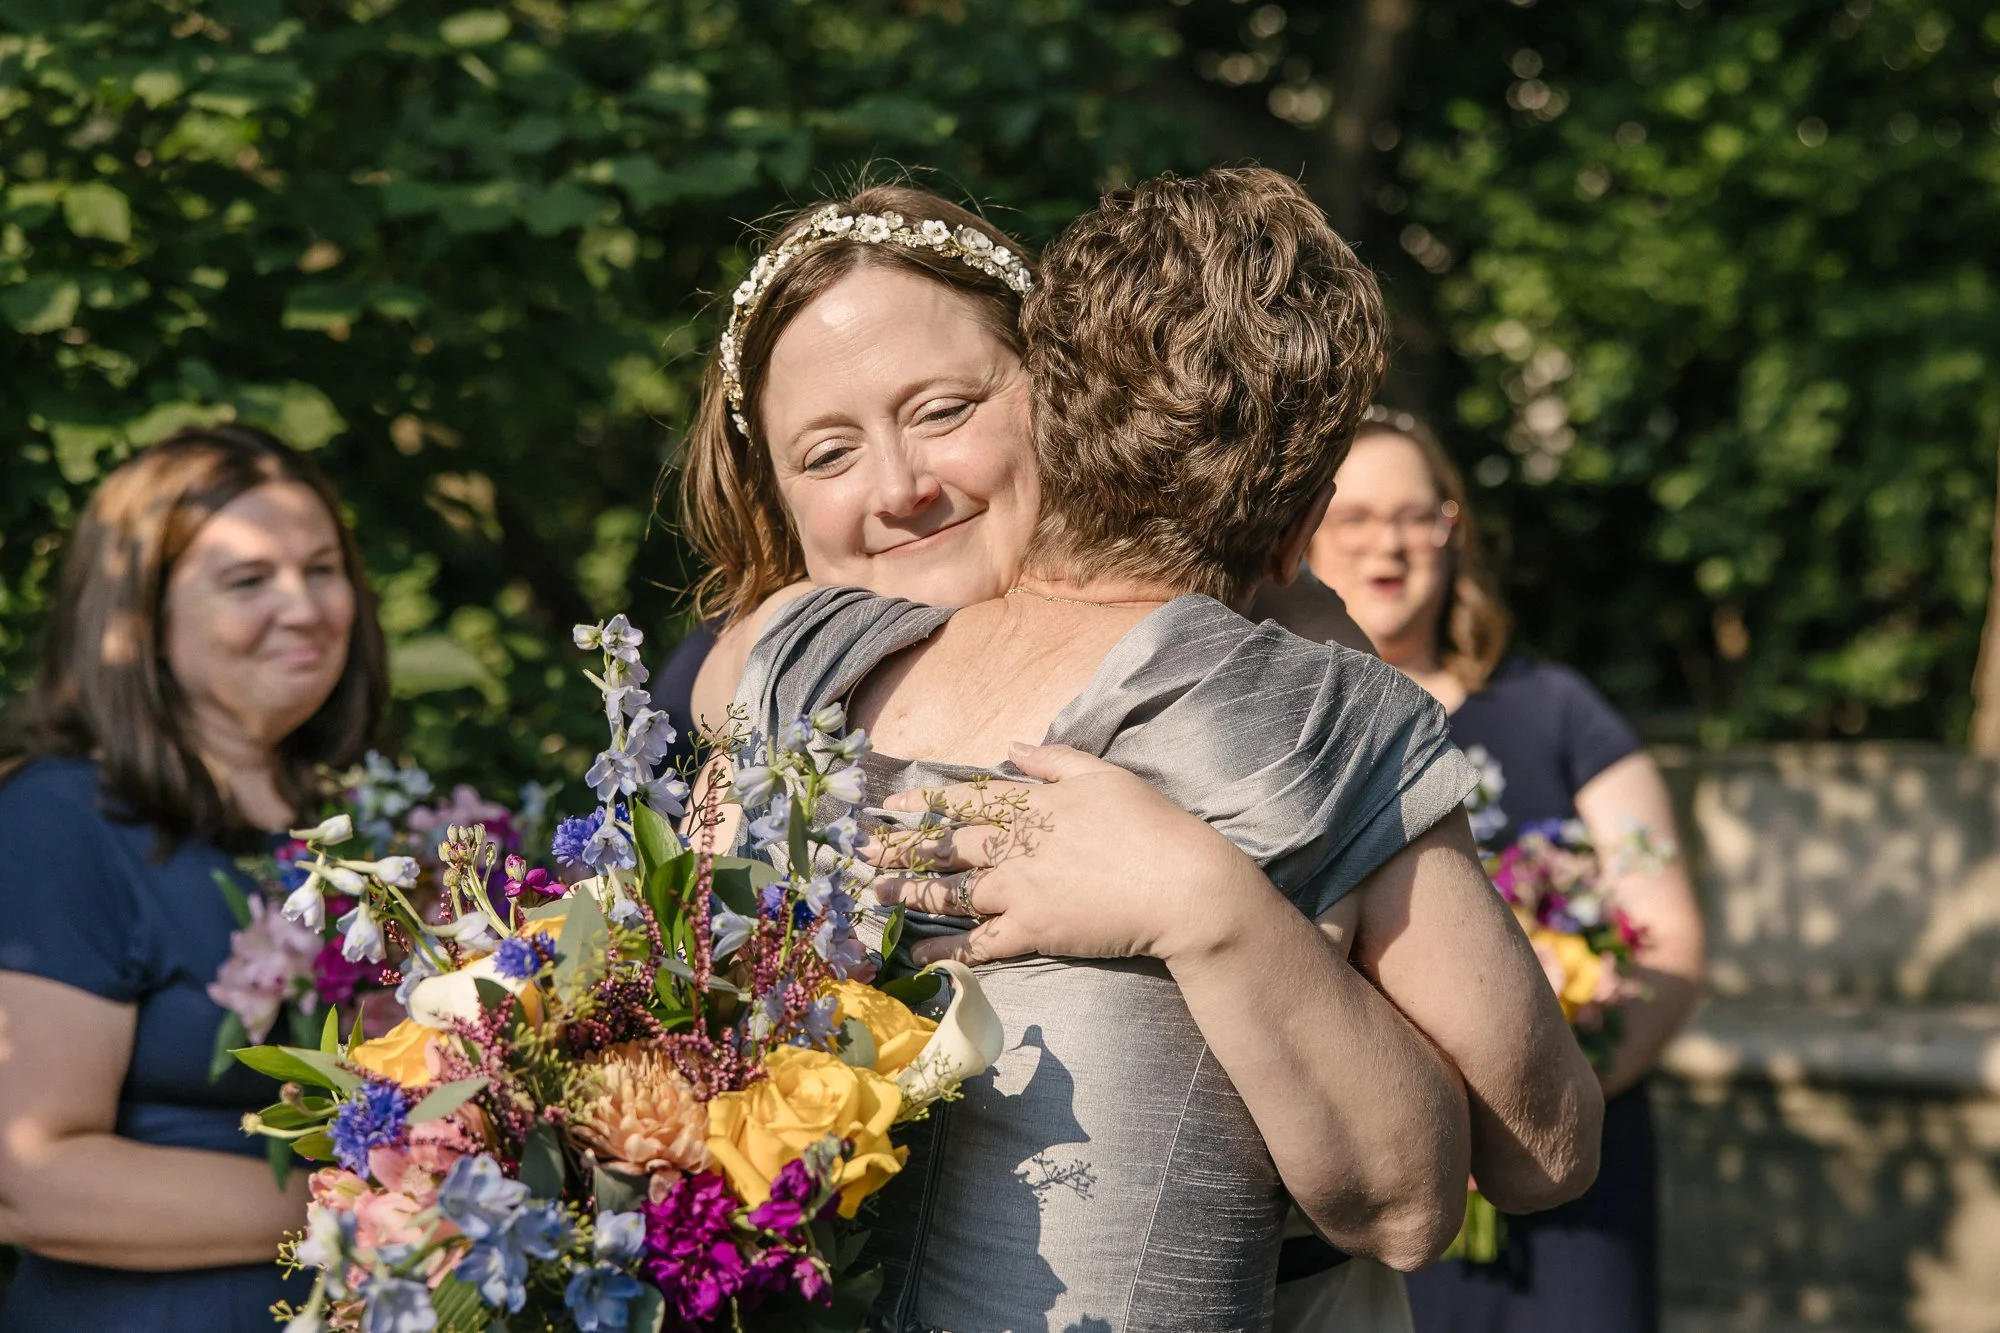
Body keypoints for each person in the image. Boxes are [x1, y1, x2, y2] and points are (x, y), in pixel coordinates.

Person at [686, 170, 1603, 1332]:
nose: (901, 489)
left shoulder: (1290, 689)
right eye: (825, 454)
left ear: (1052, 390)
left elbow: (1492, 1163)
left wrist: (1211, 897)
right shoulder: (777, 678)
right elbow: (1525, 1157)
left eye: (942, 409)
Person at [1307, 411, 1707, 1333]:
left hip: (1570, 1182)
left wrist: (1550, 1096)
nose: (1391, 544)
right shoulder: (1286, 731)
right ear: (1307, 529)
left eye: (1418, 515)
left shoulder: (1557, 711)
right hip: (1376, 1183)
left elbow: (1671, 939)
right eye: (1357, 517)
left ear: (1455, 531)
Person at [0, 425, 389, 1332]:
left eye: (323, 569)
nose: (303, 606)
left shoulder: (360, 832)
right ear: (141, 620)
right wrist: (391, 1200)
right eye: (248, 580)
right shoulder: (63, 822)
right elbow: (28, 1177)